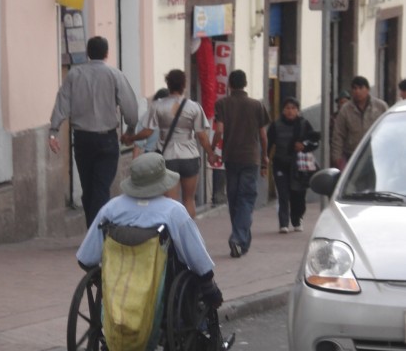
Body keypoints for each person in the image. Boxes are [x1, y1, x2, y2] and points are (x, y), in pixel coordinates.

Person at [76, 152, 223, 308]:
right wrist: (210, 289)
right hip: (163, 289)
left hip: (119, 287)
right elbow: (197, 256)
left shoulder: (111, 209)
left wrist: (104, 280)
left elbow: (85, 259)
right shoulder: (173, 211)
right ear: (162, 181)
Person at [49, 35, 139, 228]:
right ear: (107, 54)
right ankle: (97, 231)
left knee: (88, 188)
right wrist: (130, 129)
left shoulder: (74, 75)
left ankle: (93, 229)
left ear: (87, 53)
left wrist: (53, 130)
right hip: (106, 139)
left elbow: (62, 102)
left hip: (82, 139)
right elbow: (130, 107)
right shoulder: (114, 75)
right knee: (101, 187)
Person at [122, 69, 216, 219]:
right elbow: (201, 136)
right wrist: (210, 154)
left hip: (167, 158)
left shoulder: (157, 106)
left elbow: (147, 132)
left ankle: (170, 237)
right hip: (190, 157)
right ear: (184, 85)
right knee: (189, 200)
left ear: (168, 84)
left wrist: (131, 138)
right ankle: (188, 235)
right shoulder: (194, 107)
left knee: (170, 203)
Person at [212, 69, 269, 258]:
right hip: (251, 158)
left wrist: (213, 148)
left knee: (234, 199)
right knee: (246, 199)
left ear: (229, 84)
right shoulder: (256, 105)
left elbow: (219, 131)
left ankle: (241, 240)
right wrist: (265, 157)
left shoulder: (222, 104)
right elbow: (262, 135)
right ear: (245, 84)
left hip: (231, 157)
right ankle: (238, 239)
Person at [267, 97, 320, 234]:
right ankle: (283, 223)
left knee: (298, 194)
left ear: (298, 110)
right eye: (287, 108)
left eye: (293, 108)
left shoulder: (304, 124)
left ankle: (297, 219)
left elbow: (314, 141)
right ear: (283, 110)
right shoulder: (276, 125)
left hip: (299, 167)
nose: (290, 111)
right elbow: (269, 144)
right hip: (280, 164)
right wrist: (264, 161)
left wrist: (304, 145)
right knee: (283, 194)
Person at [331, 75, 388, 171]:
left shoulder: (380, 106)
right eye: (354, 88)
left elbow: (389, 131)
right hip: (353, 156)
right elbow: (338, 135)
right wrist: (337, 157)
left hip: (377, 154)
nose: (357, 91)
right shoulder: (345, 110)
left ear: (368, 89)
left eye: (361, 88)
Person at [132, 88, 168, 159]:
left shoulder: (146, 116)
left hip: (151, 156)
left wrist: (134, 165)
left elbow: (138, 144)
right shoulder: (174, 116)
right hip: (170, 155)